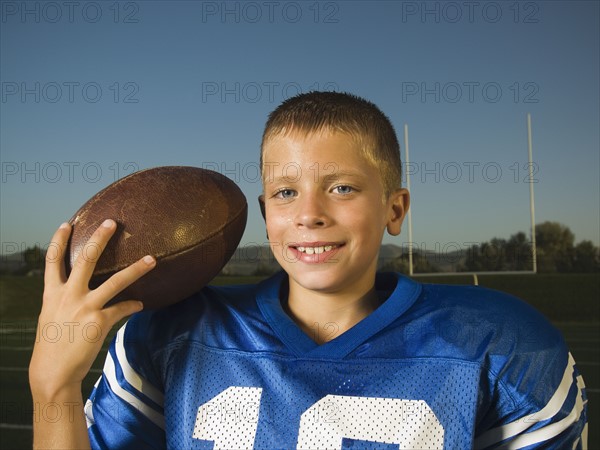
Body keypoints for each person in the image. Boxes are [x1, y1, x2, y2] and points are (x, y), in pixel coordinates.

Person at [30, 91, 588, 449]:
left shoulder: (501, 346)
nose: (310, 215)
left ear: (395, 208)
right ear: (265, 210)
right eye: (285, 192)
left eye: (341, 188)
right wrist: (53, 388)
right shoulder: (171, 332)